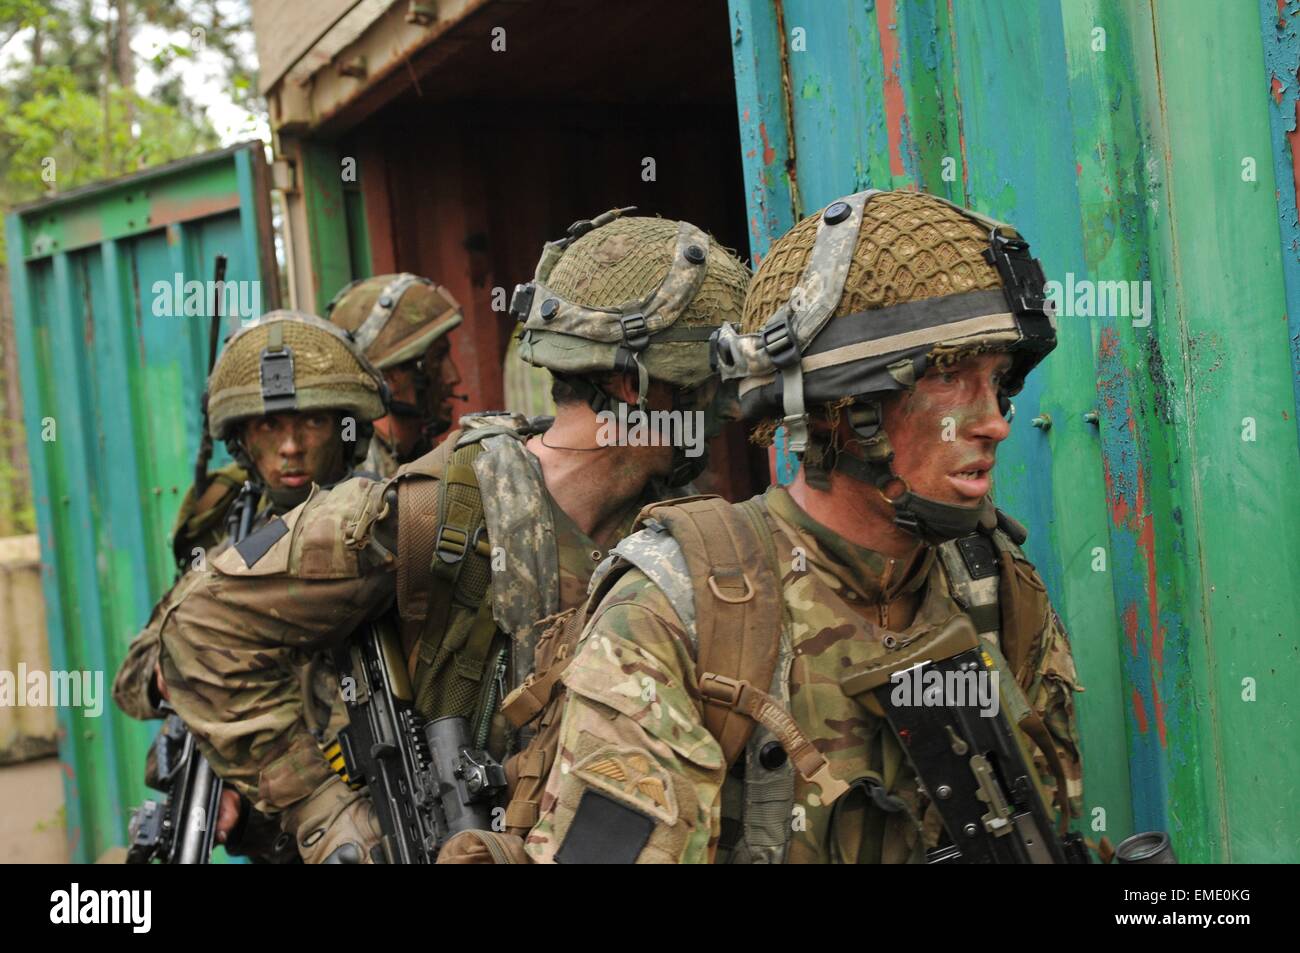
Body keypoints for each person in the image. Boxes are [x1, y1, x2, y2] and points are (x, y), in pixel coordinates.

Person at [154, 209, 752, 862]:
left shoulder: (678, 530)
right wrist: (328, 818)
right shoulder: (436, 508)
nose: (722, 407)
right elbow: (199, 625)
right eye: (704, 379)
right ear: (633, 386)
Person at [523, 189, 1084, 864]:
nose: (992, 420)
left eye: (996, 382)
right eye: (948, 378)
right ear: (839, 407)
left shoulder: (990, 583)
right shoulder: (676, 607)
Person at [112, 310, 389, 855]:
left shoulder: (385, 524)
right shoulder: (229, 530)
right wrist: (222, 752)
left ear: (345, 428)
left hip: (372, 803)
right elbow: (135, 678)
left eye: (310, 423)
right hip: (281, 817)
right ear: (241, 441)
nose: (290, 447)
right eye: (269, 426)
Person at [324, 274, 465, 475]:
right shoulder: (358, 478)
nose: (454, 377)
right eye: (437, 360)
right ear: (388, 378)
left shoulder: (422, 452)